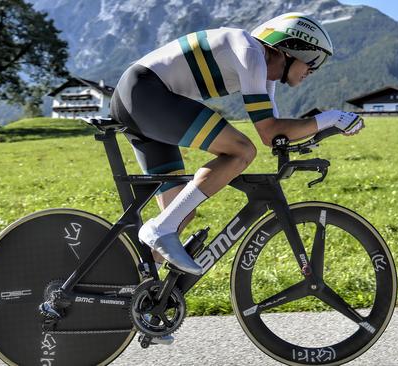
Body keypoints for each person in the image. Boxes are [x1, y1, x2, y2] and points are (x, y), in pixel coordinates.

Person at [110, 12, 364, 276]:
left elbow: (277, 132)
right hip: (145, 94)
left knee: (179, 213)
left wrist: (318, 129)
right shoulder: (251, 53)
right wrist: (332, 117)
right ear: (290, 49)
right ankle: (158, 230)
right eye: (314, 60)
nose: (313, 70)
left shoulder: (262, 70)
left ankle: (138, 289)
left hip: (139, 98)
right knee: (241, 150)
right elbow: (268, 132)